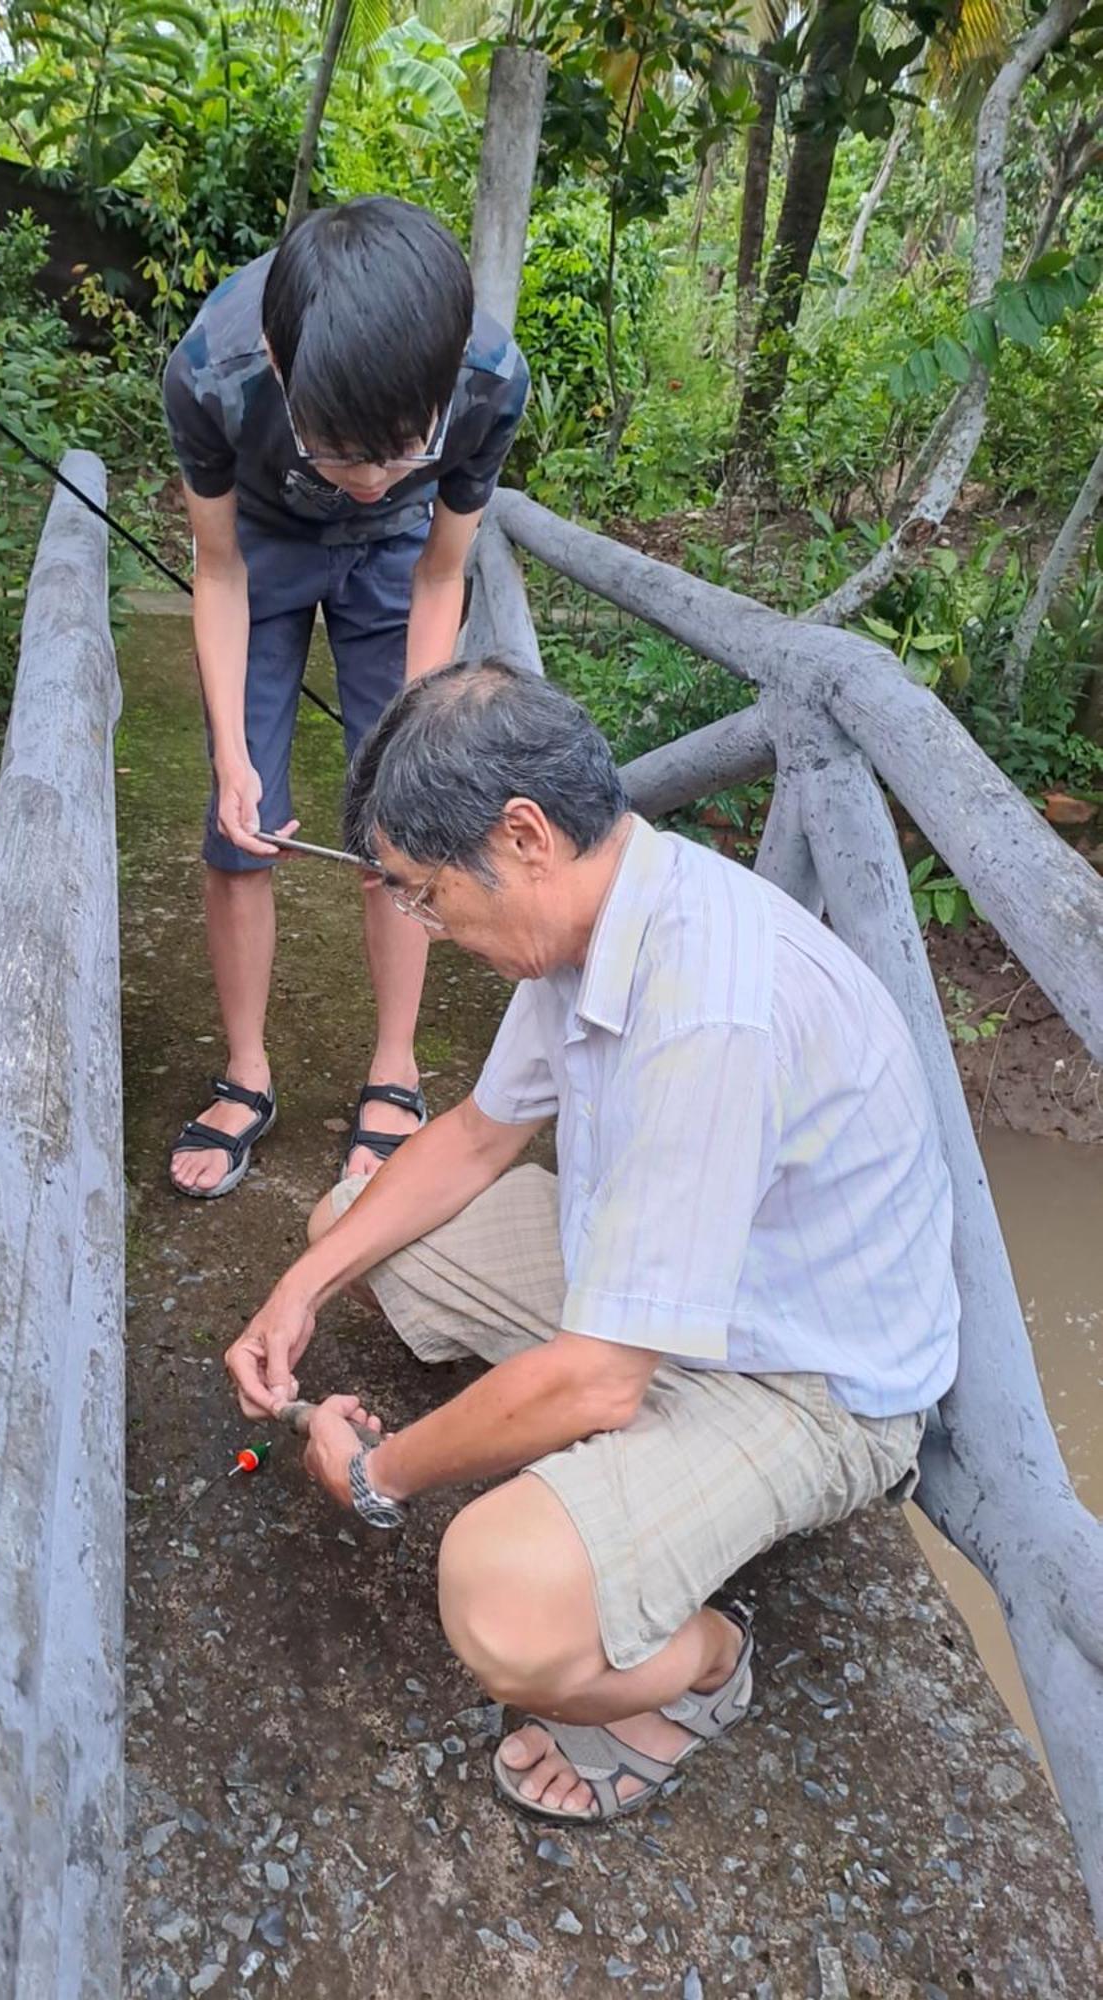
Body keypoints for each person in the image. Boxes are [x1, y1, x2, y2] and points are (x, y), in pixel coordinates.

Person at [226, 661, 959, 1824]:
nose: (423, 922)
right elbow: (471, 1136)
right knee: (354, 1224)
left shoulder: (707, 1007)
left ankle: (711, 1661)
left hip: (803, 1380)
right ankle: (614, 1499)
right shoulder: (594, 913)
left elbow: (597, 1378)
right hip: (665, 1281)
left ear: (522, 834)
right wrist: (298, 1288)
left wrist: (381, 1471)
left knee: (500, 1601)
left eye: (421, 893)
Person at [161, 198, 530, 1198]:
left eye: (398, 449)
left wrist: (409, 751)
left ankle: (394, 1068)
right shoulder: (215, 375)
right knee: (241, 824)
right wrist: (236, 759)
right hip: (264, 545)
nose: (367, 478)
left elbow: (440, 574)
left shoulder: (488, 382)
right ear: (284, 374)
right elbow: (220, 568)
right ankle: (246, 1072)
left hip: (401, 561)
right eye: (343, 453)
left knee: (398, 826)